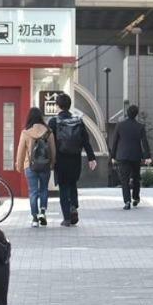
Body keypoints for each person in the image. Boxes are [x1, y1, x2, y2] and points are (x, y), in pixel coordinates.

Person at [48, 93, 96, 226]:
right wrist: (91, 158)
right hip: (75, 159)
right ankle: (73, 206)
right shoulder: (78, 121)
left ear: (57, 106)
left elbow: (48, 142)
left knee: (63, 187)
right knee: (73, 184)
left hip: (60, 160)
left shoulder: (53, 122)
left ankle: (67, 218)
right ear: (69, 106)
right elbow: (86, 141)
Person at [15, 106, 56, 227]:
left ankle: (34, 218)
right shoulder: (48, 132)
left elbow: (20, 151)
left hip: (30, 166)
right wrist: (52, 163)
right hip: (45, 165)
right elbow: (53, 150)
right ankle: (42, 212)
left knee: (33, 192)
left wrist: (19, 165)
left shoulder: (26, 132)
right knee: (44, 189)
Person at [109, 104, 151, 210]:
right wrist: (147, 156)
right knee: (136, 178)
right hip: (136, 156)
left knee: (124, 179)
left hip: (122, 156)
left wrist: (112, 156)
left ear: (127, 113)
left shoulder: (120, 125)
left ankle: (127, 201)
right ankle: (135, 198)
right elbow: (144, 142)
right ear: (136, 114)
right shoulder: (140, 126)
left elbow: (115, 141)